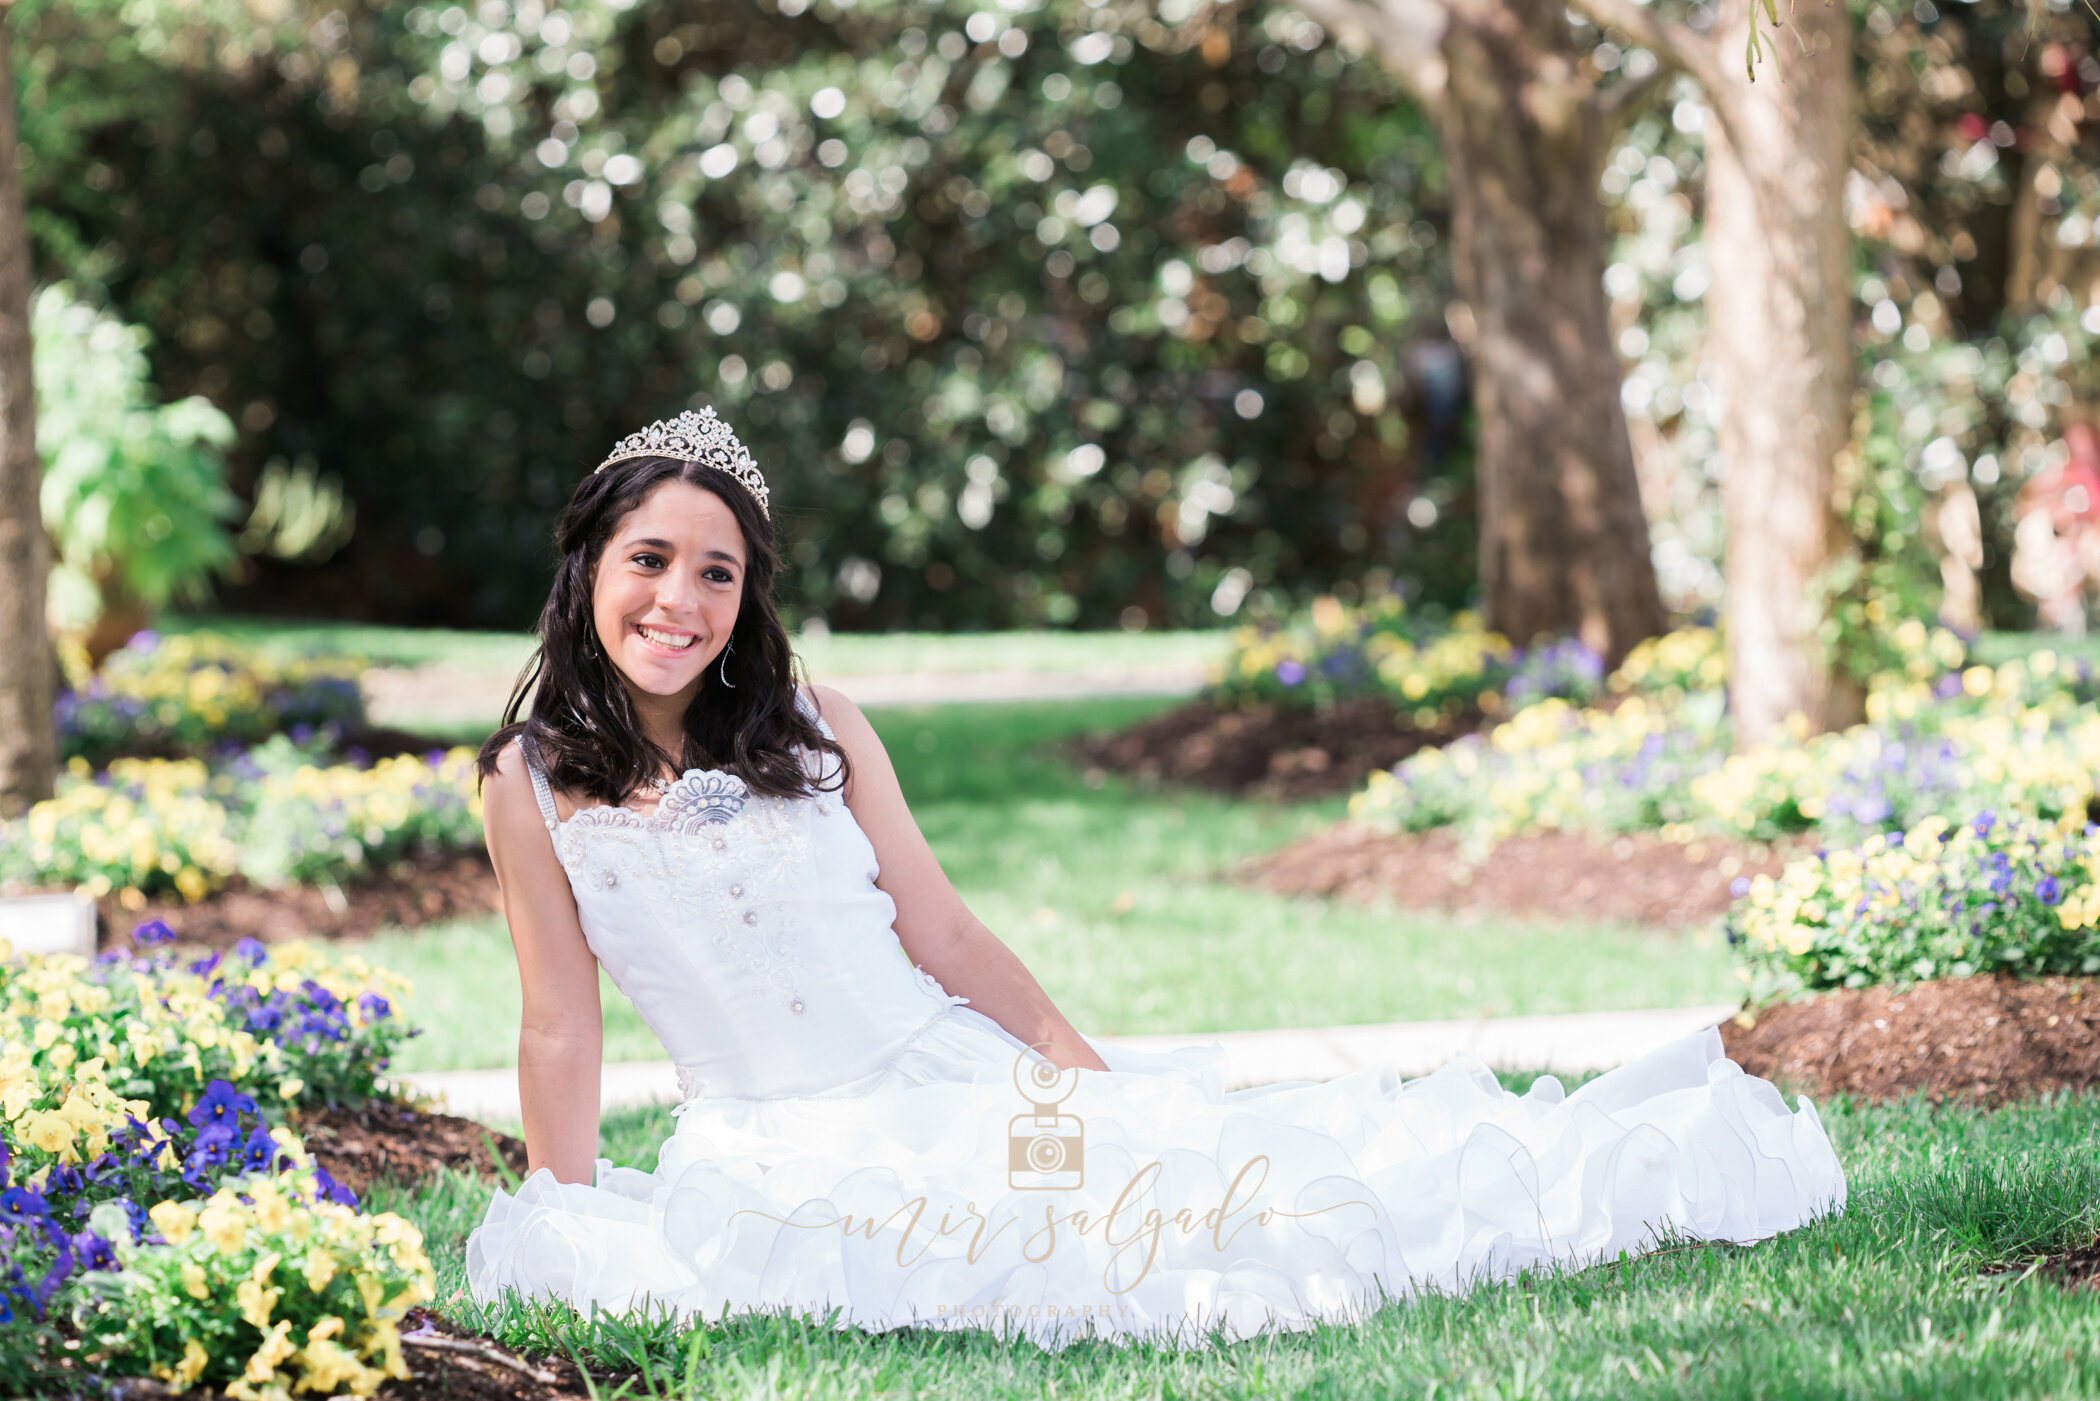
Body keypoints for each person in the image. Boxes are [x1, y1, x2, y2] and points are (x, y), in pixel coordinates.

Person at [464, 409, 1847, 1350]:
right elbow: (558, 1021)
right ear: (588, 563)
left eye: (717, 573)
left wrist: (1082, 1079)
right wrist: (564, 1207)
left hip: (957, 1082)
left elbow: (941, 930)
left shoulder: (815, 731)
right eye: (650, 560)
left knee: (1197, 1215)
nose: (680, 602)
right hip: (761, 1141)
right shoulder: (528, 783)